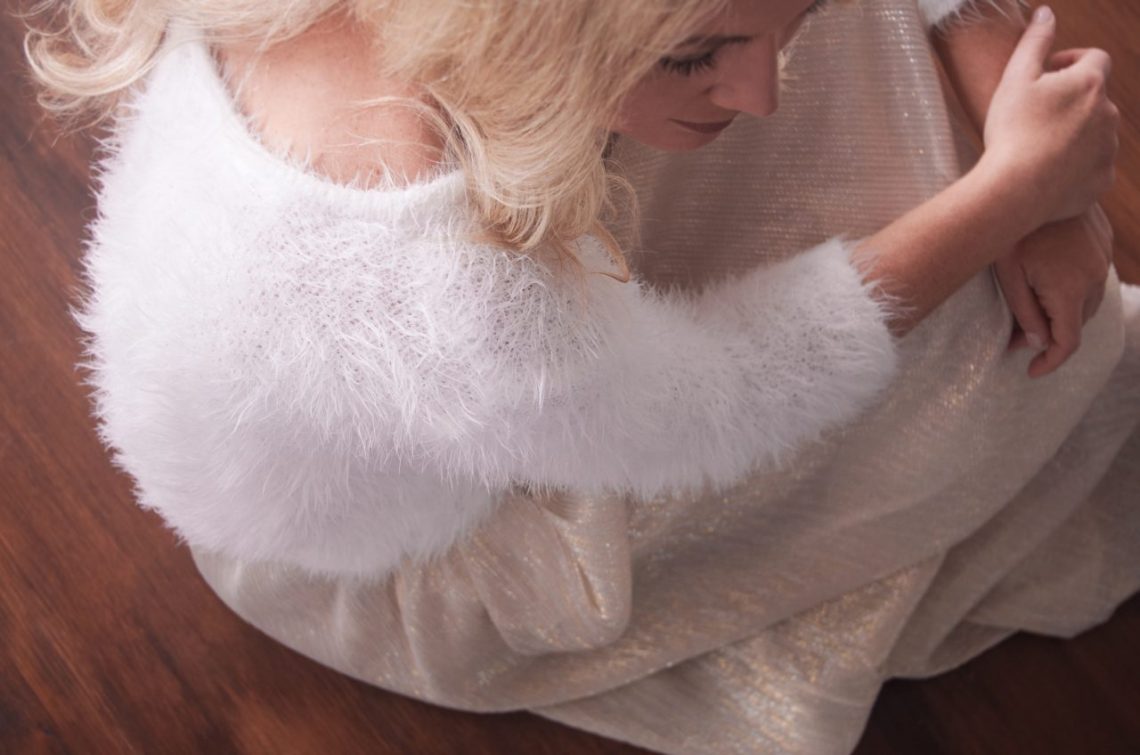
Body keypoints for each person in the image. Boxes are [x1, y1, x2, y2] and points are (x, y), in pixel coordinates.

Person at [26, 0, 1138, 752]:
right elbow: (737, 391)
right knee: (958, 348)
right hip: (435, 544)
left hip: (489, 346)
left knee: (862, 48)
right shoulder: (443, 297)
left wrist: (1043, 165)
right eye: (696, 57)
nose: (759, 93)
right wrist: (1012, 194)